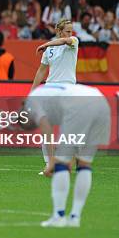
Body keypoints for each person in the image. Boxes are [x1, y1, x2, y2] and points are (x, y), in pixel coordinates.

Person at [25, 83, 111, 228]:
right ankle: (75, 218)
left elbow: (46, 128)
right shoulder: (45, 94)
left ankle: (58, 217)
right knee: (84, 163)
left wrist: (51, 161)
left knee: (60, 164)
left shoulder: (31, 101)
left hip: (79, 105)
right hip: (100, 100)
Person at [31, 19, 79, 175]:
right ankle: (49, 165)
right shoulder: (49, 51)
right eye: (67, 31)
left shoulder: (73, 43)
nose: (70, 34)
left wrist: (47, 44)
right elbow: (41, 71)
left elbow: (65, 41)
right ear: (59, 31)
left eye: (71, 31)